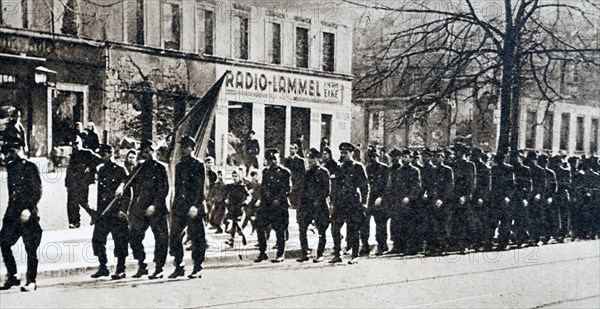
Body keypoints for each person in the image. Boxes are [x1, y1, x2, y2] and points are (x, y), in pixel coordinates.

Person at [0, 140, 42, 292]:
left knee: (30, 248)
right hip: (13, 214)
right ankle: (13, 276)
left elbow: (37, 191)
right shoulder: (11, 168)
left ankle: (31, 281)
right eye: (6, 152)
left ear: (19, 149)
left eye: (11, 151)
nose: (8, 155)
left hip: (27, 213)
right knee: (4, 242)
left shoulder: (30, 167)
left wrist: (29, 209)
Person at [128, 139, 169, 279]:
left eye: (147, 152)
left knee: (161, 238)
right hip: (141, 208)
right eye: (143, 152)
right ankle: (142, 264)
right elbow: (130, 182)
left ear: (154, 151)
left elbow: (164, 189)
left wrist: (155, 205)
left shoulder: (161, 168)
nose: (145, 155)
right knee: (134, 236)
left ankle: (159, 267)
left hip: (157, 209)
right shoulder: (140, 168)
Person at [167, 136, 207, 279]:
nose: (183, 149)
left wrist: (195, 205)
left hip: (193, 206)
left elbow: (200, 188)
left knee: (197, 237)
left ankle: (198, 266)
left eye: (186, 147)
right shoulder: (179, 166)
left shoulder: (198, 165)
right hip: (180, 206)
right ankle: (179, 266)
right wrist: (174, 205)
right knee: (175, 236)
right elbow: (178, 189)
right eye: (182, 147)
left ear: (193, 148)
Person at [90, 144, 131, 280]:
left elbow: (126, 193)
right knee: (97, 239)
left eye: (103, 154)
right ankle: (103, 267)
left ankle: (120, 269)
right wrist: (96, 213)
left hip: (116, 212)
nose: (101, 157)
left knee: (120, 240)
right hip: (104, 212)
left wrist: (123, 210)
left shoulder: (121, 170)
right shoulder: (101, 170)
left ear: (110, 154)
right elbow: (100, 194)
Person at [329, 142, 369, 264]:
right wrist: (332, 202)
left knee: (353, 229)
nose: (343, 155)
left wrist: (364, 202)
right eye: (341, 152)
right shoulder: (339, 167)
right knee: (335, 228)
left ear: (351, 153)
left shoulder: (358, 167)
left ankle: (355, 255)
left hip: (353, 202)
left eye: (345, 152)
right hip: (340, 202)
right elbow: (334, 186)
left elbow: (365, 186)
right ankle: (337, 254)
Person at [254, 148, 291, 263]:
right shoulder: (266, 172)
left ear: (279, 159)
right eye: (270, 159)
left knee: (280, 230)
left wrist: (278, 198)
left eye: (275, 158)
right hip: (266, 205)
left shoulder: (285, 172)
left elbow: (287, 188)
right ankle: (262, 252)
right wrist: (261, 199)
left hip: (279, 206)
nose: (273, 161)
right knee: (260, 227)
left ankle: (280, 254)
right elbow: (263, 187)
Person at [297, 148, 331, 263]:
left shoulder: (324, 172)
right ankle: (304, 253)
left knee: (321, 231)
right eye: (309, 158)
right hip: (307, 205)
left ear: (318, 159)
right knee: (302, 229)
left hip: (319, 205)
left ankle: (320, 254)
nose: (311, 161)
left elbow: (326, 190)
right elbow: (303, 190)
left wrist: (318, 200)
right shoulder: (307, 173)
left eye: (313, 158)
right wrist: (300, 205)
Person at [388, 149, 422, 255]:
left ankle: (411, 248)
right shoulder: (399, 171)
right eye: (403, 157)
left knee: (410, 225)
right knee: (398, 224)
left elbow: (417, 187)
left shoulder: (415, 171)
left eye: (406, 157)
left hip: (411, 203)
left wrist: (409, 197)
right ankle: (398, 246)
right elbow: (394, 187)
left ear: (411, 159)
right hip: (399, 201)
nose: (404, 159)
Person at [65, 135, 102, 228]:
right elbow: (69, 170)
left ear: (81, 143)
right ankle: (75, 221)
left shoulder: (87, 153)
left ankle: (94, 215)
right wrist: (67, 182)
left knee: (82, 201)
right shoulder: (73, 155)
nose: (75, 146)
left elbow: (99, 159)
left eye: (77, 143)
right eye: (73, 144)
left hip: (83, 181)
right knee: (71, 203)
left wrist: (90, 167)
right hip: (73, 182)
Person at [365, 148, 389, 256]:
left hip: (380, 199)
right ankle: (365, 245)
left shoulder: (384, 168)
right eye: (371, 157)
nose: (373, 159)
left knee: (380, 224)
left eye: (375, 156)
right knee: (364, 223)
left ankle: (381, 246)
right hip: (370, 199)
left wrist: (382, 197)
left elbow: (388, 186)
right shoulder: (368, 169)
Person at [224, 170, 250, 247]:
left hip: (239, 207)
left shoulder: (242, 187)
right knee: (231, 222)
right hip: (231, 207)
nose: (234, 178)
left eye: (236, 176)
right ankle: (234, 238)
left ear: (240, 177)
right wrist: (226, 199)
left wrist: (246, 202)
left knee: (235, 223)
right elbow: (224, 194)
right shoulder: (229, 186)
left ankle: (237, 237)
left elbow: (248, 196)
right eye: (233, 176)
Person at [283, 143, 307, 210]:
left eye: (292, 148)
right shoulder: (286, 160)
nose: (291, 150)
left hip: (297, 182)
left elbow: (303, 173)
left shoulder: (300, 161)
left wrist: (299, 182)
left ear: (296, 150)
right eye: (290, 148)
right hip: (289, 182)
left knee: (297, 202)